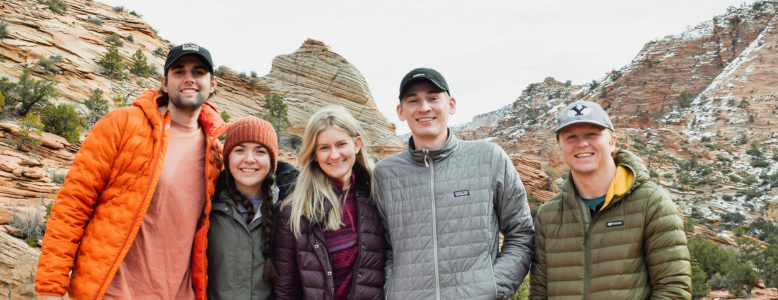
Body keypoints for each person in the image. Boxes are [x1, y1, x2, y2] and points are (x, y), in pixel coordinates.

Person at [35, 43, 228, 300]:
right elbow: (72, 206)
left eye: (198, 72)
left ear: (212, 83)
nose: (189, 78)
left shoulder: (216, 154)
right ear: (164, 82)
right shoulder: (123, 124)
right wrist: (49, 288)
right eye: (179, 71)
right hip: (113, 293)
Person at [373, 68, 534, 300]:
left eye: (433, 97)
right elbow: (384, 247)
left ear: (451, 105)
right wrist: (393, 291)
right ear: (401, 111)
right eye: (413, 100)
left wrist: (492, 288)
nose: (424, 107)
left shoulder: (489, 157)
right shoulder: (385, 173)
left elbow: (520, 233)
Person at [528, 101, 691, 300]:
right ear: (560, 147)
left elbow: (673, 290)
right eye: (571, 137)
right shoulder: (549, 216)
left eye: (592, 134)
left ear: (612, 141)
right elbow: (539, 293)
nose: (582, 144)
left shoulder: (651, 203)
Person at [273, 105, 385, 300]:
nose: (334, 155)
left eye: (341, 144)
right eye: (324, 148)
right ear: (314, 154)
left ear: (356, 144)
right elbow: (286, 291)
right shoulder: (295, 213)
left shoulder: (376, 195)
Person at [207, 116, 299, 300]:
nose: (249, 159)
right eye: (240, 150)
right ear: (228, 157)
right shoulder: (207, 207)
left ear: (272, 160)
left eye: (260, 151)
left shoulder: (292, 210)